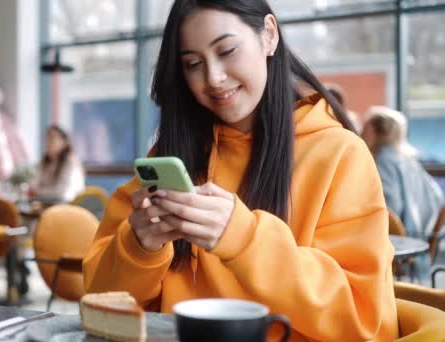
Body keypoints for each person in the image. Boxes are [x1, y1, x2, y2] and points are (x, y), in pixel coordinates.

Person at [83, 1, 397, 341]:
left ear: (269, 36)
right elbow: (99, 301)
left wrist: (243, 238)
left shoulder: (340, 154)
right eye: (193, 63)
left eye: (227, 50)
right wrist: (139, 247)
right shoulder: (173, 154)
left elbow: (362, 321)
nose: (214, 78)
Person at [362, 106, 444, 279]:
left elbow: (389, 209)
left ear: (378, 132)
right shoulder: (407, 160)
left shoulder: (384, 161)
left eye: (365, 129)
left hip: (400, 241)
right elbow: (436, 195)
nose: (360, 133)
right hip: (421, 237)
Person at [31, 125, 85, 203]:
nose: (48, 142)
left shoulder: (70, 161)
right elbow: (34, 184)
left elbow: (63, 193)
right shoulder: (44, 162)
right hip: (48, 203)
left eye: (52, 138)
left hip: (69, 207)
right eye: (46, 138)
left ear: (64, 142)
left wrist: (38, 192)